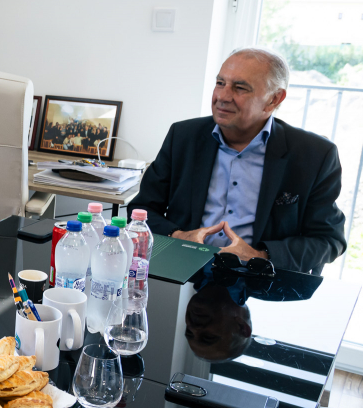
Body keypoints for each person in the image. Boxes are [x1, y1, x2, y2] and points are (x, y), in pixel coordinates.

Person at [130, 48, 346, 274]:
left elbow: (329, 240)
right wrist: (178, 236)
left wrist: (260, 256)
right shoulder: (183, 136)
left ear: (274, 99)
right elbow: (141, 209)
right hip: (185, 271)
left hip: (261, 278)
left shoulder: (314, 154)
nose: (222, 97)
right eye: (220, 83)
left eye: (240, 88)